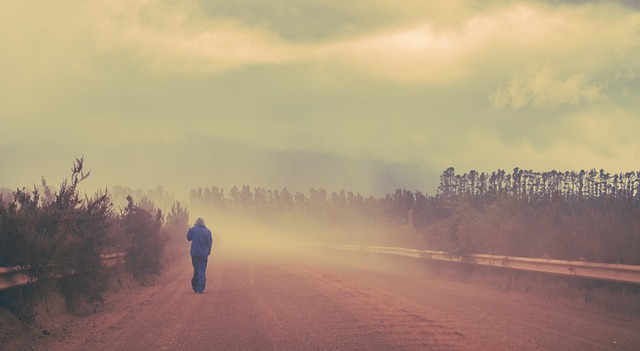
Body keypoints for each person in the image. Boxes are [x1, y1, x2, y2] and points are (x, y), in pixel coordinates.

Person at [187, 217, 213, 294]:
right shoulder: (207, 231)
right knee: (201, 270)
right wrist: (208, 252)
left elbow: (188, 238)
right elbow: (210, 242)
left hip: (194, 253)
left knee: (196, 269)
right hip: (203, 254)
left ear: (196, 222)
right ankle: (200, 288)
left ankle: (195, 286)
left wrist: (190, 229)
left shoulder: (194, 229)